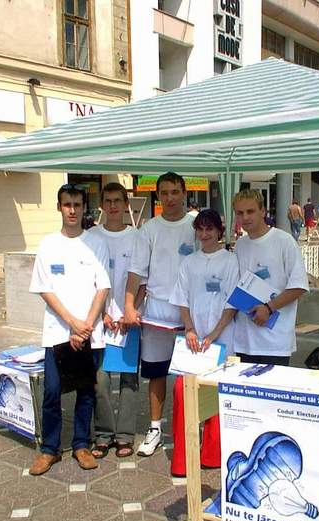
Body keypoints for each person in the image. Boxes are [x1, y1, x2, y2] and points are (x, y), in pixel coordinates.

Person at [29, 184, 110, 475]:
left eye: (77, 204)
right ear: (59, 207)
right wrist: (72, 323)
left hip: (89, 332)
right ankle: (49, 449)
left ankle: (81, 445)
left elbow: (103, 287)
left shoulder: (96, 242)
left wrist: (85, 325)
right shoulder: (48, 244)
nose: (72, 210)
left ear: (84, 207)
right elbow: (44, 289)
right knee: (52, 391)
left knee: (85, 391)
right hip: (58, 331)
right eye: (67, 204)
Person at [124, 172, 196, 457]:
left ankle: (191, 430)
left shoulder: (196, 226)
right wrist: (130, 306)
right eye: (164, 193)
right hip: (156, 313)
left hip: (191, 315)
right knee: (156, 373)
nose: (170, 198)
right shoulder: (149, 229)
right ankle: (155, 428)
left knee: (189, 376)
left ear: (184, 193)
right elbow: (136, 271)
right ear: (158, 195)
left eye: (175, 192)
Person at [169, 209, 239, 476]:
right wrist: (189, 329)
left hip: (222, 339)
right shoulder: (189, 263)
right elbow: (182, 299)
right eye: (200, 229)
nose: (204, 234)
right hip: (193, 342)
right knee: (182, 393)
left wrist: (214, 333)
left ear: (219, 231)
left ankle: (212, 454)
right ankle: (182, 460)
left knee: (218, 395)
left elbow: (232, 302)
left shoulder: (230, 261)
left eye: (210, 229)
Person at [86, 183, 145, 459]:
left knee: (129, 380)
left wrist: (131, 311)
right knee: (100, 380)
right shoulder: (91, 236)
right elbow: (86, 281)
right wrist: (103, 314)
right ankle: (103, 434)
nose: (112, 206)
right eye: (107, 201)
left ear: (126, 204)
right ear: (102, 205)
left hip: (128, 321)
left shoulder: (137, 237)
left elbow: (144, 280)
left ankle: (125, 436)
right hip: (100, 321)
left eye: (117, 201)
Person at [232, 189, 309, 366]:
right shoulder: (240, 245)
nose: (245, 217)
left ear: (262, 211)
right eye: (240, 213)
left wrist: (269, 308)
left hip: (275, 343)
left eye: (250, 211)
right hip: (244, 341)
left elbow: (299, 285)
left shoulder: (284, 241)